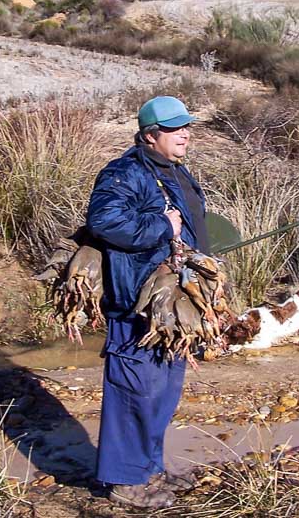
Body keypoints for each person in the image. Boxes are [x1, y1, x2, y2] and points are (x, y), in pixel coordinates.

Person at [86, 96, 210, 509]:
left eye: (186, 127)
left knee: (161, 393)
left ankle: (149, 469)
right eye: (175, 129)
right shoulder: (124, 172)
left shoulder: (171, 170)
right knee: (133, 392)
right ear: (149, 135)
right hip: (136, 304)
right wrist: (162, 224)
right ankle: (125, 482)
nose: (185, 134)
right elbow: (105, 222)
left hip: (171, 307)